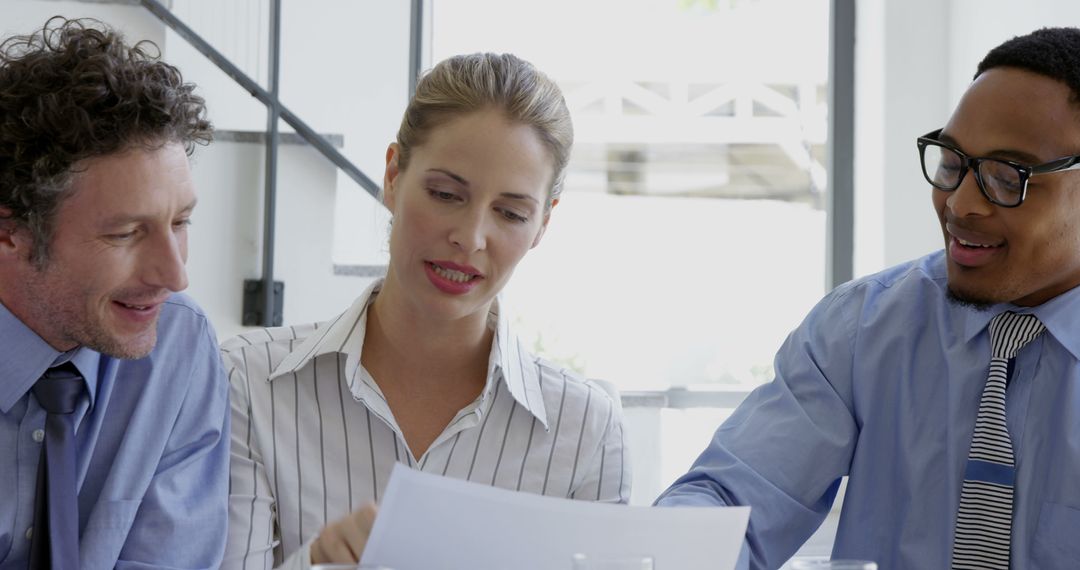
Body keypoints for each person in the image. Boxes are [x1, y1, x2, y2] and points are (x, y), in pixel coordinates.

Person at [655, 26, 1080, 570]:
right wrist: (670, 549)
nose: (961, 203)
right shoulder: (863, 328)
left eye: (1006, 176)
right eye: (952, 162)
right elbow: (732, 500)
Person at [223, 52, 630, 569]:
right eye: (445, 194)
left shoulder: (586, 431)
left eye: (510, 213)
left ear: (543, 225)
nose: (470, 237)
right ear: (393, 175)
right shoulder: (248, 382)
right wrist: (316, 563)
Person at [0, 17, 229, 569]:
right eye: (126, 233)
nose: (175, 277)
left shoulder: (179, 341)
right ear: (10, 232)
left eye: (180, 223)